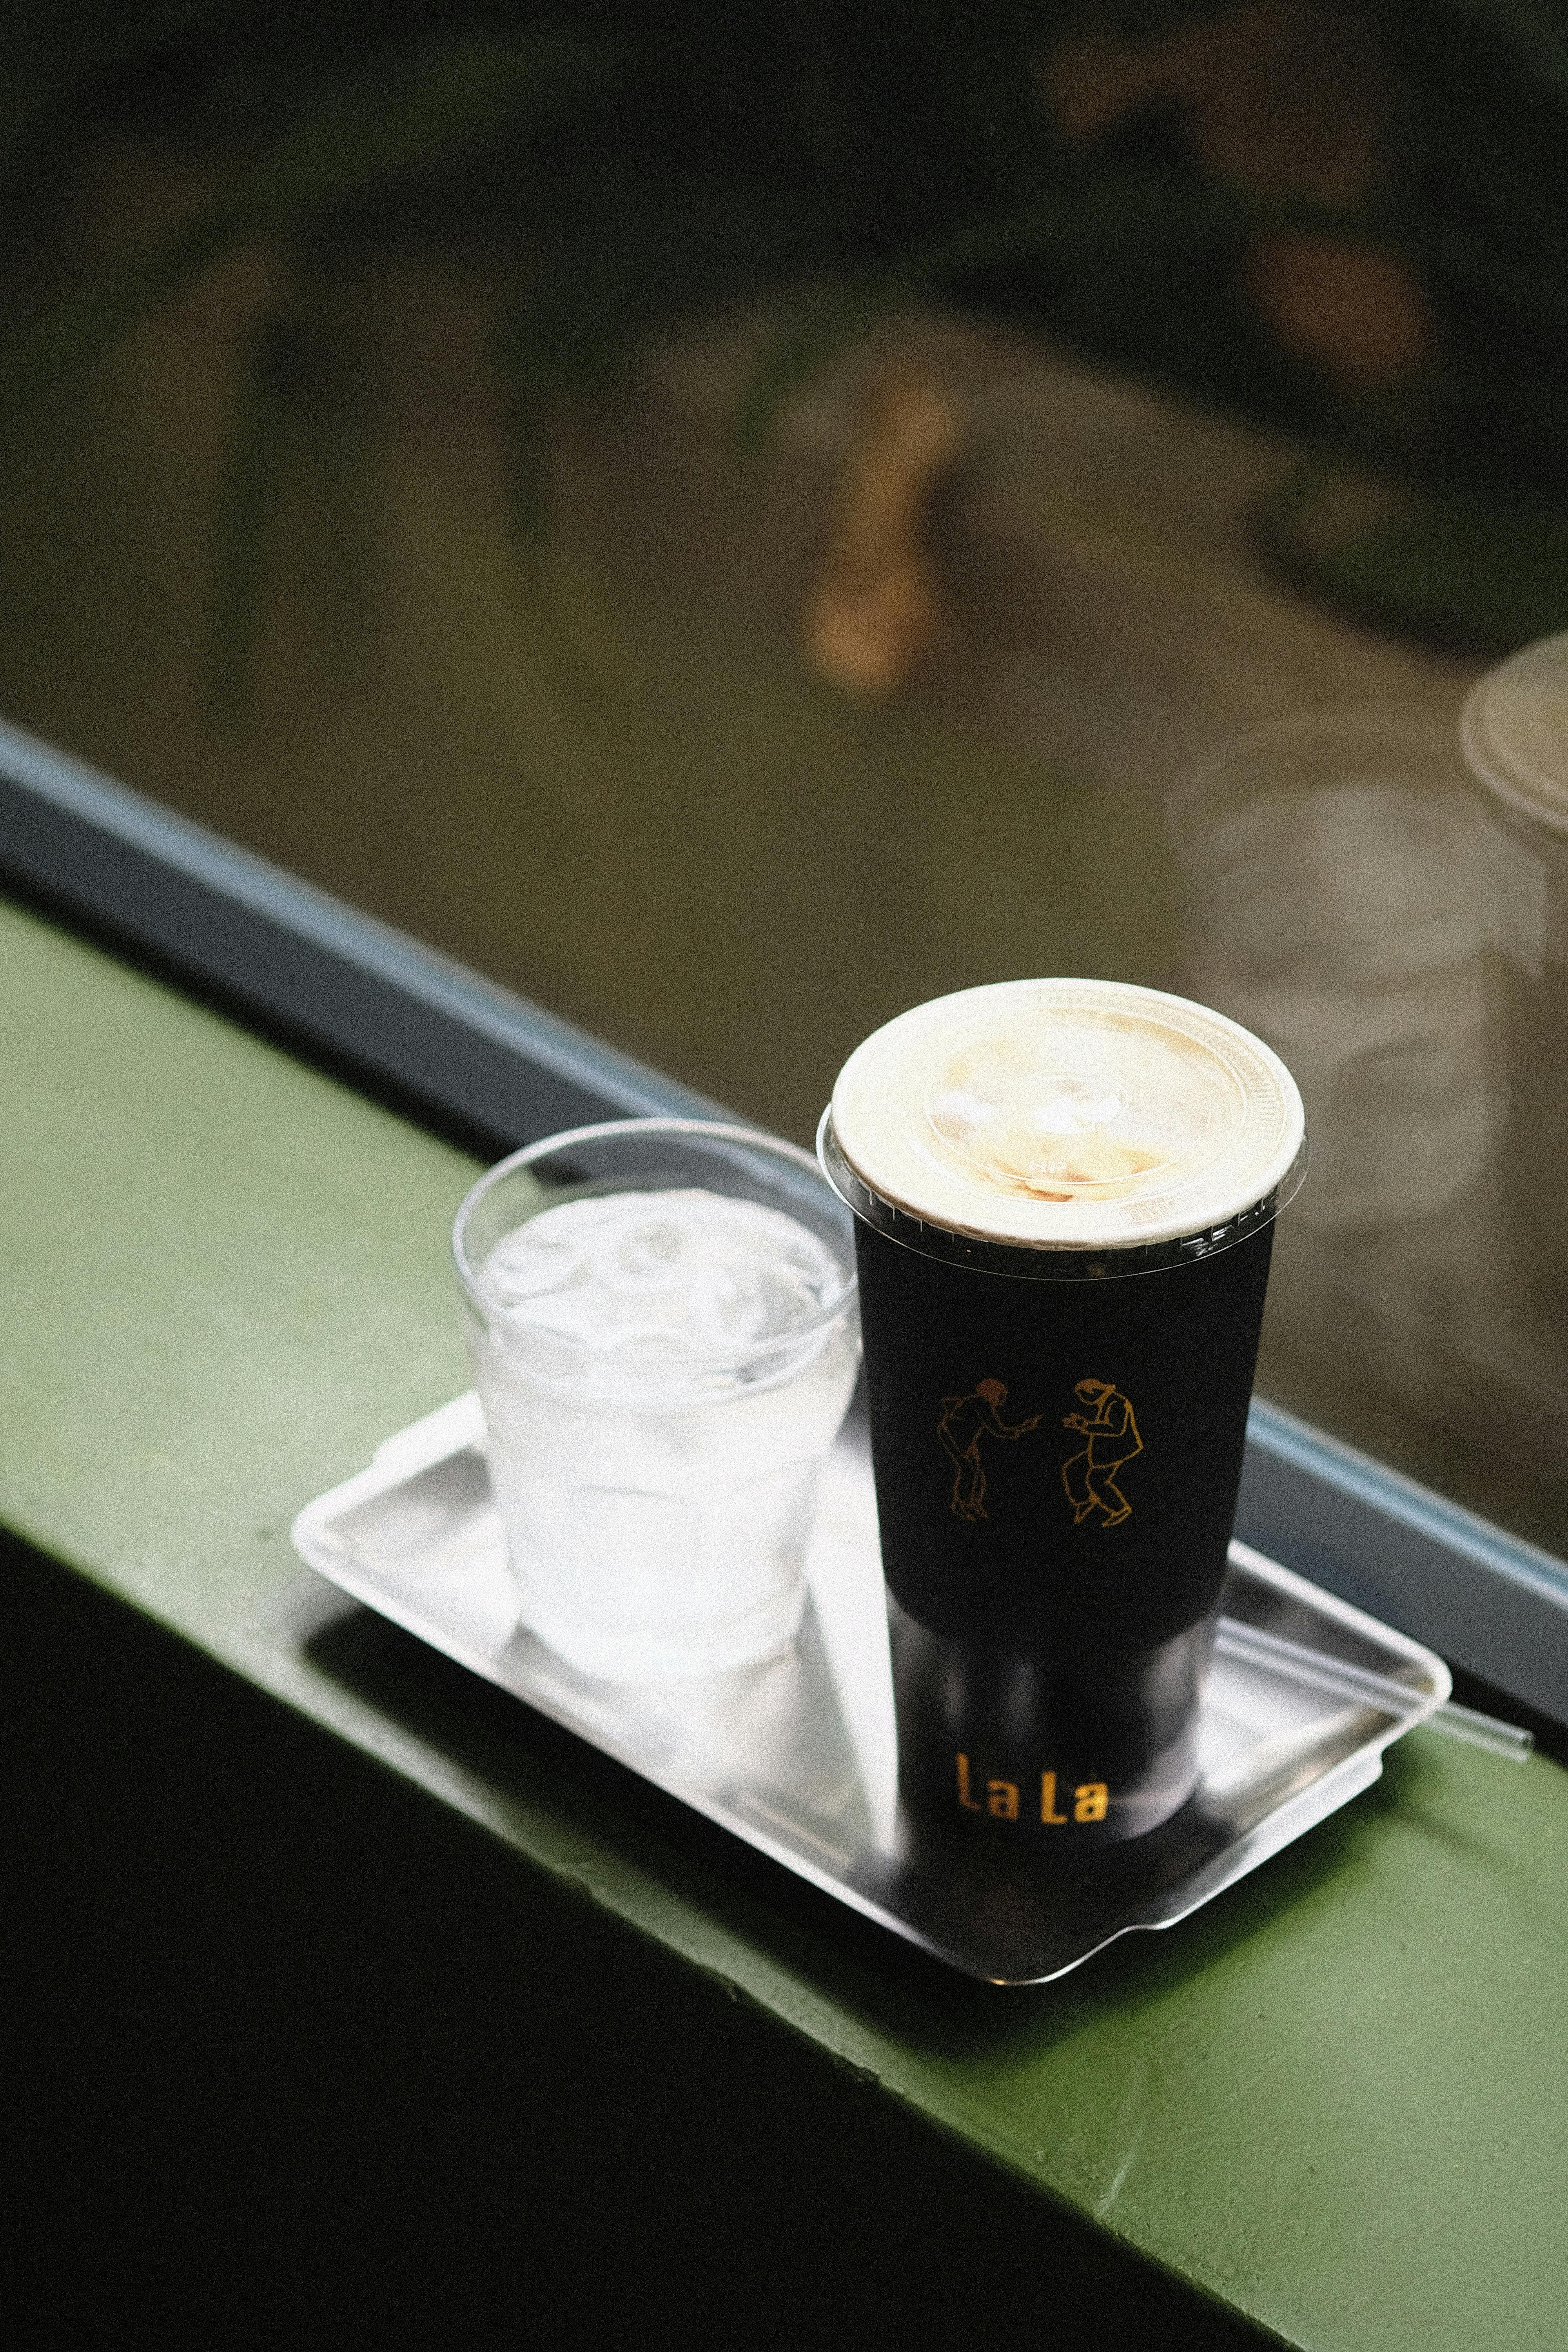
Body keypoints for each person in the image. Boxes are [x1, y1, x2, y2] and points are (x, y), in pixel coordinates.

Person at [936, 1378, 1042, 1520]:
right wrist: (1023, 1428)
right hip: (954, 1438)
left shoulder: (980, 1403)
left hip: (965, 1440)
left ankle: (973, 1502)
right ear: (991, 1392)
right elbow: (998, 1430)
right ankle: (961, 1505)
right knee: (969, 1472)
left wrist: (1022, 1428)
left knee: (978, 1474)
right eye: (1000, 1394)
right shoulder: (981, 1403)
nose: (1003, 1398)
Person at [1062, 1377, 1143, 1527]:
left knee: (1096, 1481)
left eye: (1082, 1395)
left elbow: (1116, 1429)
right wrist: (1083, 1425)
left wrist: (1085, 1426)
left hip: (1116, 1450)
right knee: (1073, 1468)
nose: (1082, 1399)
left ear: (1092, 1391)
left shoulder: (1117, 1402)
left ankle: (1120, 1509)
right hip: (1103, 1449)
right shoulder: (1106, 1402)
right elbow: (1105, 1426)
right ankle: (1085, 1502)